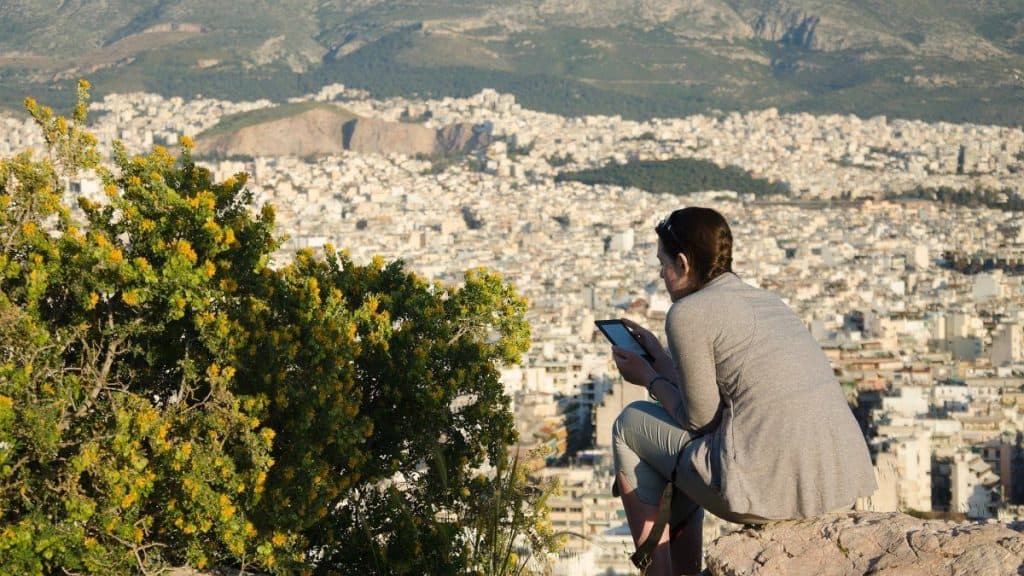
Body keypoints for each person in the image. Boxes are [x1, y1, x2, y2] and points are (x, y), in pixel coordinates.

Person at [609, 207, 876, 576]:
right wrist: (662, 362)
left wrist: (648, 379)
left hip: (768, 488)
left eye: (662, 262)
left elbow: (697, 419)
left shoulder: (688, 311)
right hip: (837, 481)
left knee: (629, 425)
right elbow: (724, 400)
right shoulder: (769, 302)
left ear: (683, 263)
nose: (660, 273)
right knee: (680, 442)